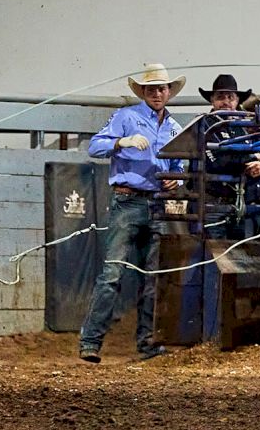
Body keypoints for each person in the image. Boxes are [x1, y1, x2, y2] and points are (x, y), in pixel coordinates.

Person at [78, 64, 186, 363]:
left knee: (153, 277)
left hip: (157, 203)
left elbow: (180, 166)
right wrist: (120, 142)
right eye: (151, 89)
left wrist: (177, 175)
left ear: (168, 92)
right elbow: (94, 147)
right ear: (144, 92)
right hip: (128, 201)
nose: (157, 93)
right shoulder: (126, 117)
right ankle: (91, 341)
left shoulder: (175, 128)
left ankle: (147, 342)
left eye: (161, 89)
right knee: (112, 273)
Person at [197, 75, 260, 239]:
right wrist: (251, 160)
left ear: (237, 101)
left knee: (236, 257)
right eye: (220, 97)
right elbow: (216, 162)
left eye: (230, 97)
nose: (226, 101)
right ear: (212, 100)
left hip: (238, 203)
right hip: (213, 203)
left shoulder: (242, 126)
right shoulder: (205, 124)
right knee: (214, 255)